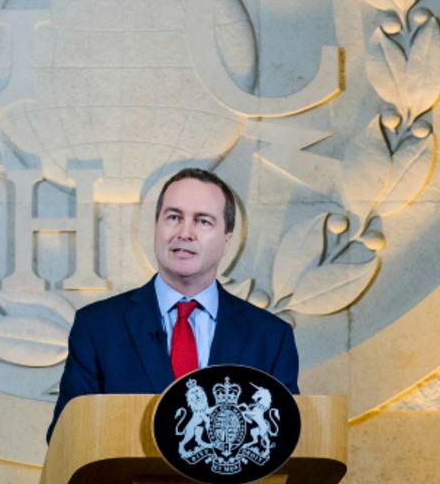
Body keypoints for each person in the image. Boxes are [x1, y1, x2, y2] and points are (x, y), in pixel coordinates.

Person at [47, 168, 299, 442]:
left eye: (203, 221)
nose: (184, 233)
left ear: (226, 240)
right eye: (173, 217)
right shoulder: (96, 327)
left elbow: (285, 442)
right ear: (156, 227)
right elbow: (67, 439)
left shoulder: (272, 337)